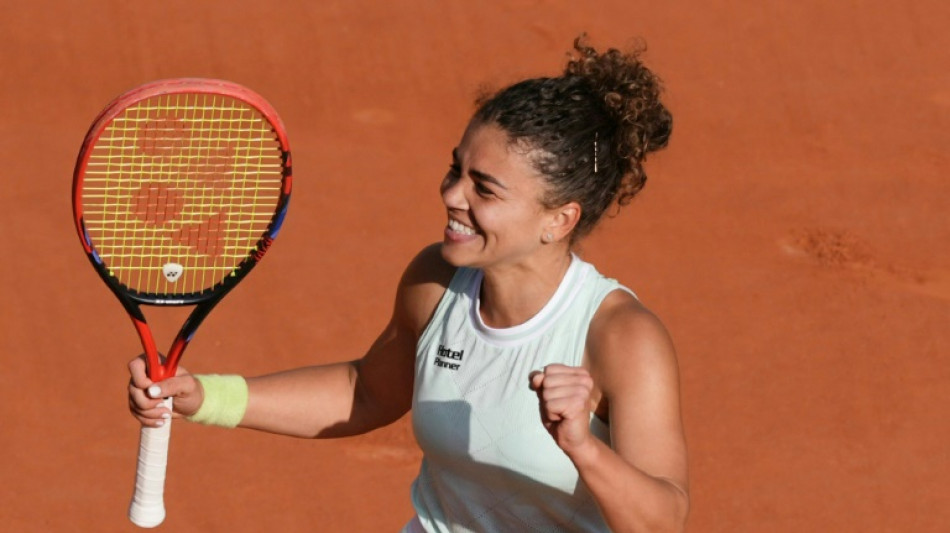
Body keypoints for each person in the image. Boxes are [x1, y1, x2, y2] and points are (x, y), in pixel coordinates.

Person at [129, 36, 689, 532]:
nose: (452, 195)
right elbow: (368, 391)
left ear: (558, 219)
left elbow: (663, 520)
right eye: (456, 170)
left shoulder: (621, 338)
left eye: (485, 189)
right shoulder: (437, 283)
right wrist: (205, 397)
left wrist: (583, 447)